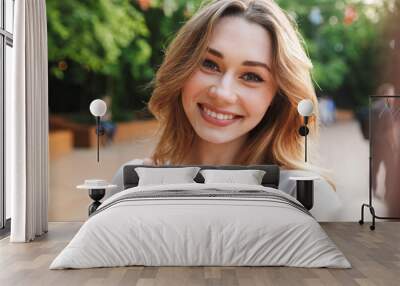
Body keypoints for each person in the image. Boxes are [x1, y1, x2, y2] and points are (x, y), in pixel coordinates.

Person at [107, 0, 341, 220]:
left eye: (251, 76)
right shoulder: (130, 184)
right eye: (209, 64)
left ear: (277, 97)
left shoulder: (306, 196)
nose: (222, 93)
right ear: (182, 68)